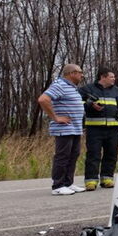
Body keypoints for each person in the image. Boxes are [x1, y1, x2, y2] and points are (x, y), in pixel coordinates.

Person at [78, 67, 118, 190]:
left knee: (111, 154)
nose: (114, 79)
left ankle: (107, 178)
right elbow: (76, 103)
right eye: (111, 77)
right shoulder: (87, 89)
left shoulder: (117, 91)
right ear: (102, 77)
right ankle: (91, 181)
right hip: (94, 129)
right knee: (93, 154)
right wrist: (90, 105)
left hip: (113, 129)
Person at [37, 64, 86, 195]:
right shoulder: (59, 85)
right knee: (63, 156)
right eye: (80, 72)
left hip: (75, 128)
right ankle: (58, 186)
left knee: (73, 155)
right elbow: (43, 99)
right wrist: (56, 117)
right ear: (72, 73)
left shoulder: (72, 88)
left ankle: (68, 183)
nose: (82, 75)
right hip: (64, 128)